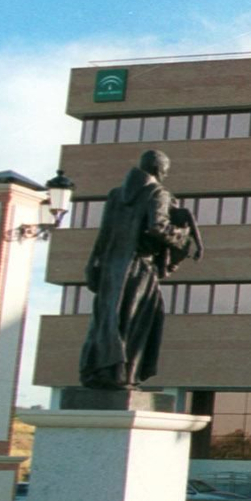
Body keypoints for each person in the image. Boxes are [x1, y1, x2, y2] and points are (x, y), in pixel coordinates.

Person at [79, 150, 202, 389]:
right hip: (138, 267)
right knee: (138, 318)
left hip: (111, 266)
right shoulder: (158, 192)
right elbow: (157, 226)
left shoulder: (116, 195)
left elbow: (104, 234)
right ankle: (122, 374)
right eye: (165, 170)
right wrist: (183, 238)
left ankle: (100, 372)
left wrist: (93, 264)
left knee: (109, 319)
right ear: (159, 170)